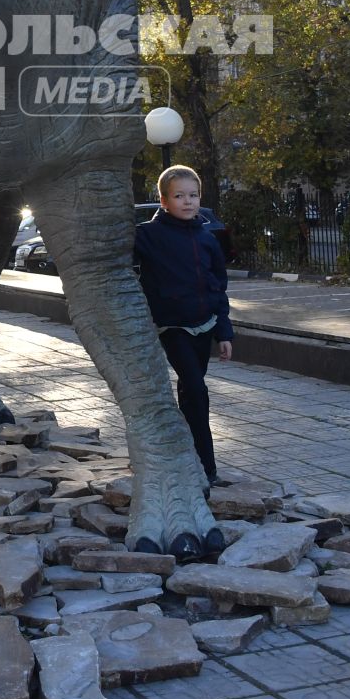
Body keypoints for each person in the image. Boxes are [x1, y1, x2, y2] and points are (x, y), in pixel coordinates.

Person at [134, 165, 236, 511]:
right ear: (163, 200)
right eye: (179, 196)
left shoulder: (207, 238)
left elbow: (218, 288)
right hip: (172, 327)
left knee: (192, 394)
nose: (188, 201)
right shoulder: (147, 236)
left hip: (204, 326)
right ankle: (206, 467)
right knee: (196, 390)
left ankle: (192, 458)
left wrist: (224, 332)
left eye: (193, 195)